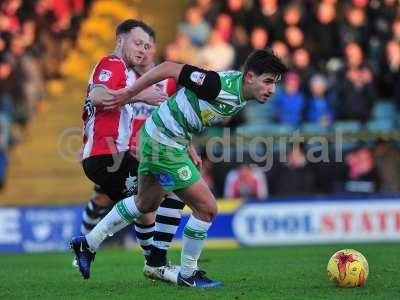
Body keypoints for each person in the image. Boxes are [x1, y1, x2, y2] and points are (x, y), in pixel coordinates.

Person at [71, 49, 288, 288]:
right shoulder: (217, 85)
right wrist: (130, 92)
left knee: (145, 203)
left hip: (164, 139)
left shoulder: (238, 95)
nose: (271, 90)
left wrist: (188, 145)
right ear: (250, 77)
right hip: (163, 143)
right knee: (206, 208)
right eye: (268, 81)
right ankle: (187, 272)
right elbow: (168, 68)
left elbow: (187, 109)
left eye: (275, 84)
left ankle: (89, 243)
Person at [72, 19, 187, 281]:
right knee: (176, 186)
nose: (143, 50)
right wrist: (139, 95)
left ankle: (92, 246)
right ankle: (155, 263)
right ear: (120, 40)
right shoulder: (112, 64)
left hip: (111, 155)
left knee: (146, 205)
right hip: (107, 156)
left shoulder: (123, 71)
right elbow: (97, 97)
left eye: (147, 46)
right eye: (137, 43)